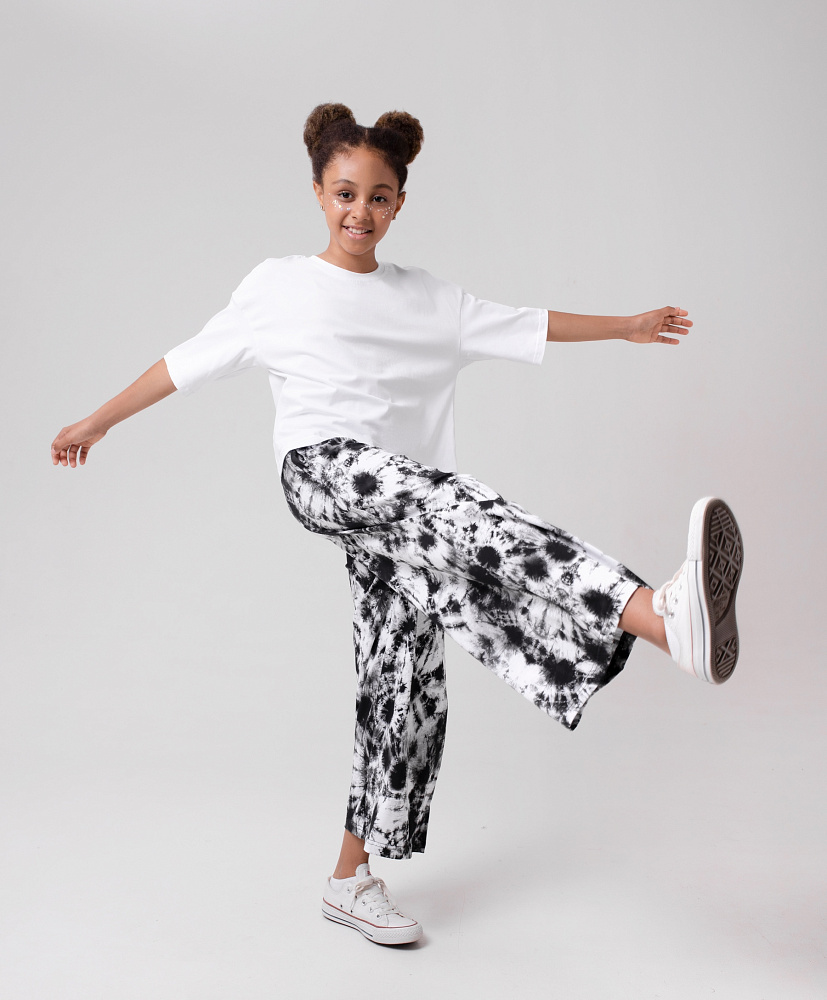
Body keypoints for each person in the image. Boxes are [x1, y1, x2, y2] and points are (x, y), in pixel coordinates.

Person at [51, 103, 743, 947]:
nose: (360, 211)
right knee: (465, 510)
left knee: (403, 675)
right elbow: (182, 363)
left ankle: (350, 877)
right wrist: (98, 420)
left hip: (405, 516)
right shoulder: (277, 286)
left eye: (378, 197)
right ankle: (654, 615)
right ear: (317, 193)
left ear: (399, 205)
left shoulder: (428, 300)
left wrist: (626, 327)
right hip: (324, 471)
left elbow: (526, 324)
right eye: (344, 193)